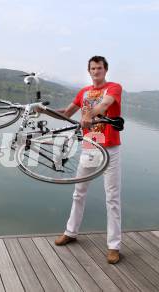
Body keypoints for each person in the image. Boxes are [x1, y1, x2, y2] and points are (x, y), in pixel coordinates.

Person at [42, 56, 122, 264]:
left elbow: (105, 105)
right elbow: (67, 113)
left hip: (110, 149)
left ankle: (114, 246)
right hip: (90, 146)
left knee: (112, 198)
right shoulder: (83, 92)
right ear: (89, 71)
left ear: (105, 70)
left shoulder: (114, 87)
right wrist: (45, 111)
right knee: (79, 193)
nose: (96, 71)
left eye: (100, 68)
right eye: (93, 68)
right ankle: (71, 232)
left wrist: (90, 115)